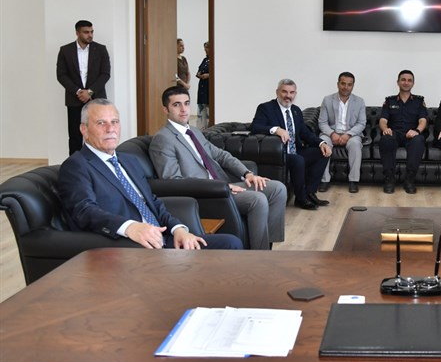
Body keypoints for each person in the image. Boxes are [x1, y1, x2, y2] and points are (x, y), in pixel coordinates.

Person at [58, 99, 242, 250]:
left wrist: (178, 229)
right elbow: (84, 211)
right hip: (132, 246)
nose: (110, 129)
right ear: (84, 130)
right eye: (101, 123)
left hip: (163, 238)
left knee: (230, 243)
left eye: (114, 122)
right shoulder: (76, 166)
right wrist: (129, 227)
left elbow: (152, 202)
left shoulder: (128, 161)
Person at [149, 86, 287, 250]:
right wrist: (220, 187)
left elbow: (221, 155)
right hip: (207, 195)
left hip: (223, 186)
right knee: (258, 199)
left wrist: (247, 174)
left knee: (277, 189)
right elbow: (173, 181)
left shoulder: (194, 132)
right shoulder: (163, 139)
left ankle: (269, 246)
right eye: (176, 105)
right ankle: (259, 255)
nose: (184, 109)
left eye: (186, 103)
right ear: (166, 109)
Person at [250, 79, 332, 210]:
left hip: (295, 150)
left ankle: (310, 193)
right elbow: (255, 127)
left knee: (322, 153)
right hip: (279, 154)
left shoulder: (295, 110)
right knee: (298, 160)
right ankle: (301, 199)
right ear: (277, 92)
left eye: (292, 92)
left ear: (295, 94)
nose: (288, 96)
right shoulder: (266, 108)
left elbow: (305, 133)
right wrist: (276, 129)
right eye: (284, 92)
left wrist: (322, 143)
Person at [56, 20, 111, 155]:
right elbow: (61, 75)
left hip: (96, 99)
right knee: (75, 136)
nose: (90, 35)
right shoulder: (65, 50)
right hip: (74, 99)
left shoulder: (101, 49)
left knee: (98, 133)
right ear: (77, 33)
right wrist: (78, 92)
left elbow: (105, 74)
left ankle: (98, 163)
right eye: (86, 32)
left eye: (91, 32)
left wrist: (90, 92)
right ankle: (75, 164)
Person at [379, 70, 428, 194]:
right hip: (394, 133)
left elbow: (423, 120)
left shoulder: (419, 101)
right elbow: (383, 120)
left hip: (411, 134)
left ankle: (409, 179)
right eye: (403, 80)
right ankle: (389, 178)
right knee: (386, 139)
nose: (406, 83)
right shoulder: (389, 101)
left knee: (419, 140)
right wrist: (385, 129)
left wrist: (417, 131)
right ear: (398, 82)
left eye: (409, 80)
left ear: (413, 83)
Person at [318, 72, 367, 194]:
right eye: (343, 84)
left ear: (353, 85)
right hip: (331, 133)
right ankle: (324, 180)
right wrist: (332, 134)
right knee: (323, 143)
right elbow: (322, 123)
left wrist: (348, 134)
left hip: (351, 134)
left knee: (355, 144)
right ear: (338, 84)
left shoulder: (359, 101)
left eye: (349, 84)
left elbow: (361, 123)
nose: (346, 87)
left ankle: (353, 181)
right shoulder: (327, 100)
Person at [196, 42, 210, 129]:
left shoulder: (215, 59)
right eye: (205, 48)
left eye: (207, 48)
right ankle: (202, 127)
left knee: (208, 108)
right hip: (202, 86)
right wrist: (199, 74)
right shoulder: (205, 60)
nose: (206, 50)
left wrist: (208, 75)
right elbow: (199, 70)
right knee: (202, 108)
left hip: (209, 87)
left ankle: (208, 126)